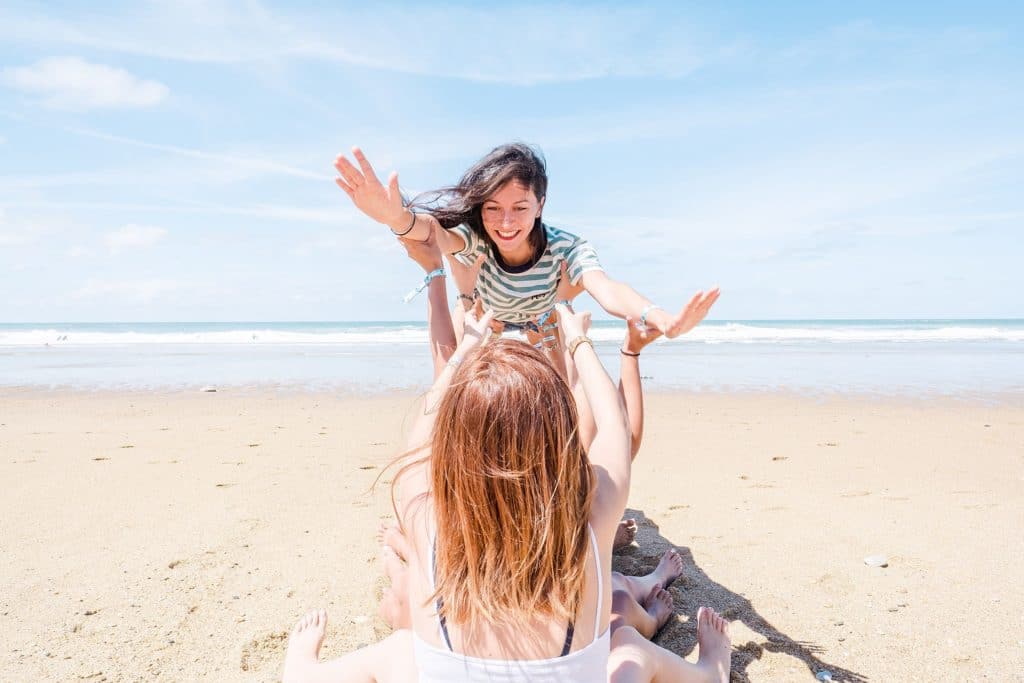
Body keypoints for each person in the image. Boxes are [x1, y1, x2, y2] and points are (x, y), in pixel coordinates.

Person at [281, 237, 731, 682]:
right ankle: (711, 671)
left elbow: (421, 436)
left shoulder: (425, 524)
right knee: (630, 648)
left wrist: (465, 350)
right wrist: (578, 342)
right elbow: (613, 426)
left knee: (401, 649)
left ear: (455, 445)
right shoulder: (592, 527)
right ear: (559, 437)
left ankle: (302, 671)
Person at [333, 143, 719, 345]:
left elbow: (606, 288)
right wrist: (395, 218)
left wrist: (660, 318)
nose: (505, 222)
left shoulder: (566, 246)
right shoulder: (477, 240)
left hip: (544, 325)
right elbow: (433, 233)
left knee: (563, 405)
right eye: (493, 208)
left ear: (541, 205)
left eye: (520, 207)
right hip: (490, 325)